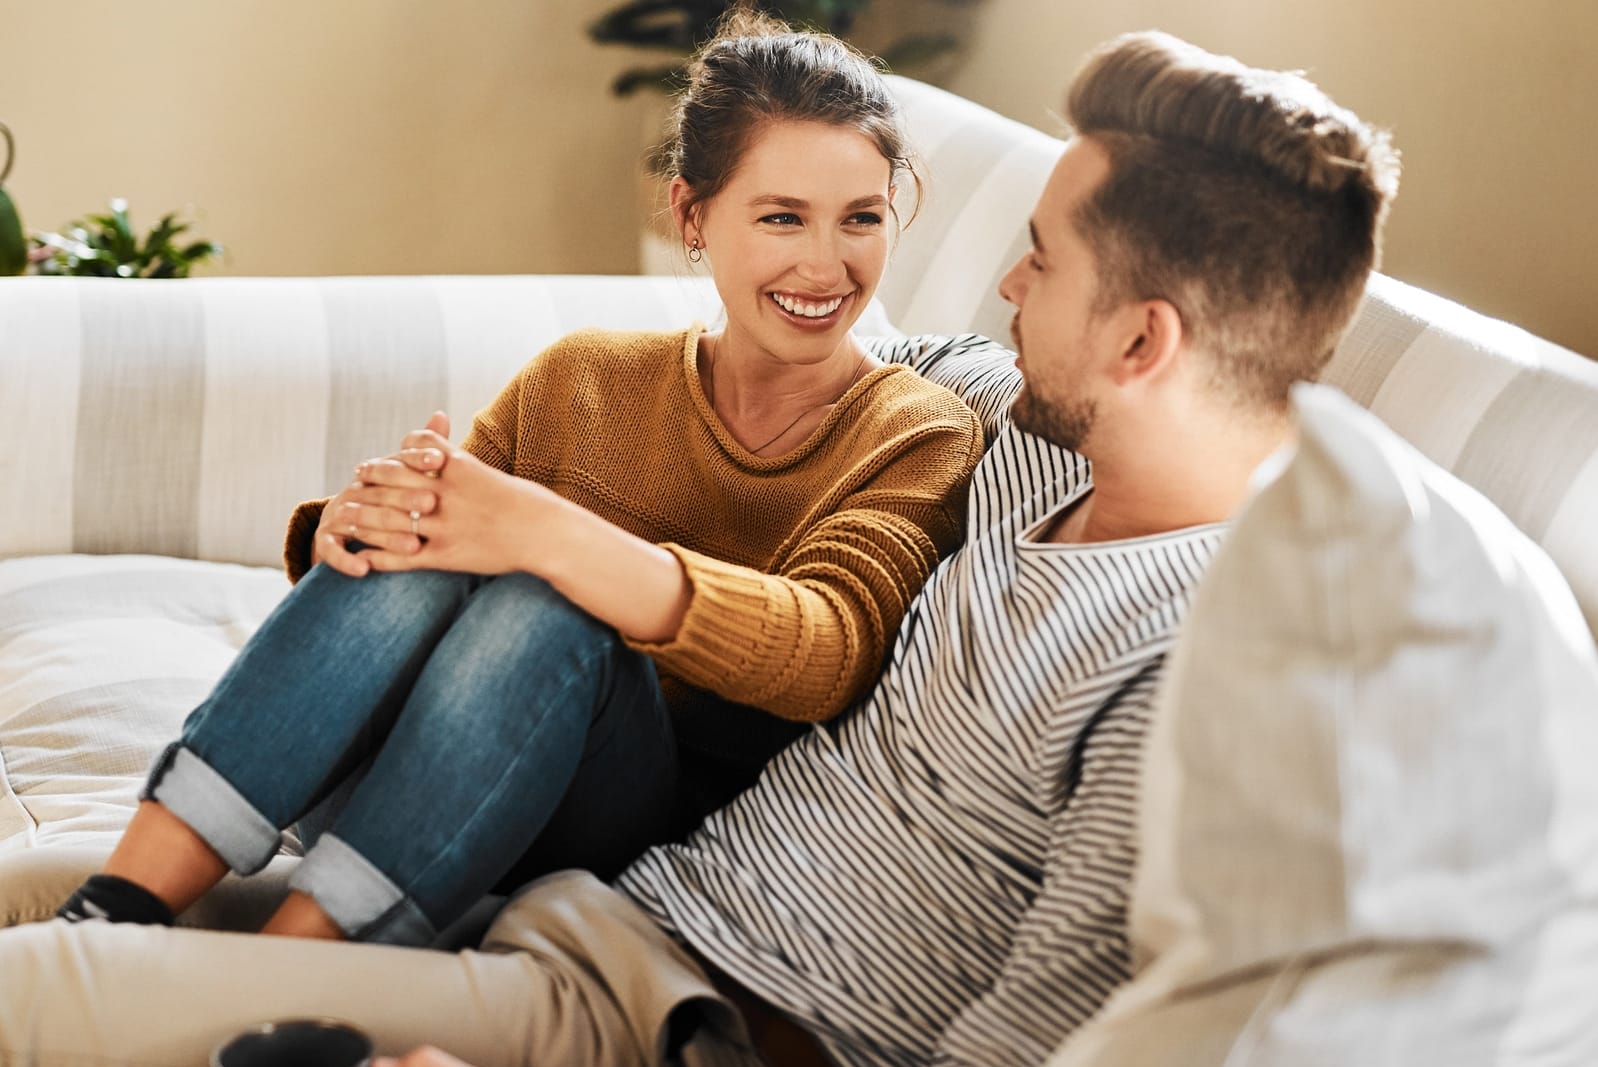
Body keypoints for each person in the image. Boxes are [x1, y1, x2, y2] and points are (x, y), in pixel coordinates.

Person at [0, 28, 1399, 1067]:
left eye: (1038, 259)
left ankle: (251, 964)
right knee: (40, 895)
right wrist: (367, 516)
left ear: (1142, 341)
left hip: (655, 1007)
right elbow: (813, 362)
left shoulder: (1198, 668)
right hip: (586, 906)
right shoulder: (1019, 431)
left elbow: (1020, 1042)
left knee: (46, 1000)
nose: (997, 283)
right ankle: (149, 900)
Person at [45, 10, 984, 949]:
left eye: (860, 218)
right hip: (389, 785)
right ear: (692, 214)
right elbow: (430, 561)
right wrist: (353, 523)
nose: (826, 264)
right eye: (783, 216)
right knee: (442, 518)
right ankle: (118, 906)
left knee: (550, 607)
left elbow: (827, 651)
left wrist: (549, 537)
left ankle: (291, 959)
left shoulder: (913, 431)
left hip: (607, 823)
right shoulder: (585, 375)